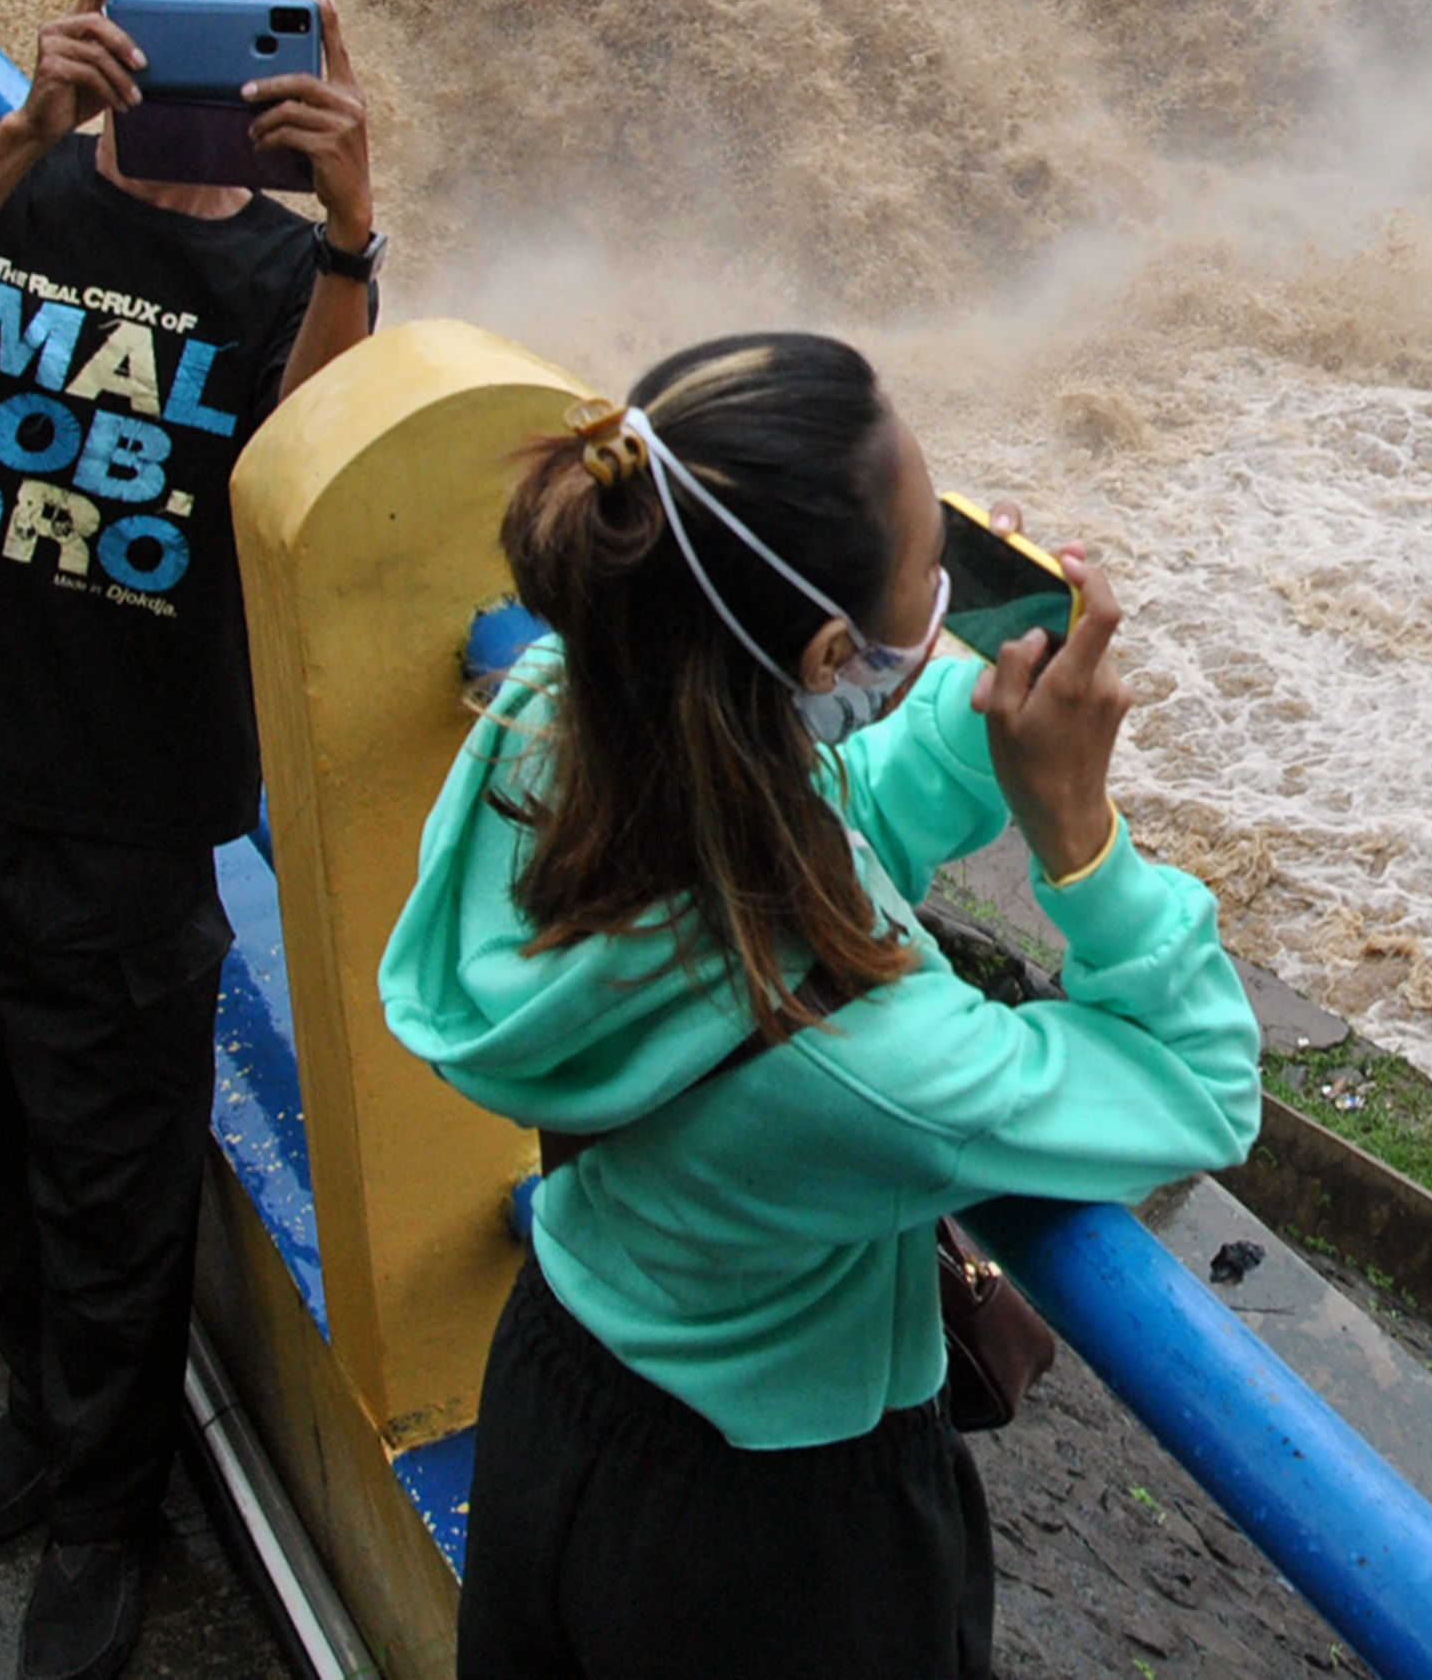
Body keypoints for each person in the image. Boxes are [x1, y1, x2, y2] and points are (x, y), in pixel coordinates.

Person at [382, 336, 1259, 1679]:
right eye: (933, 564)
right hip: (769, 1547)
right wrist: (1078, 837)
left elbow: (821, 819)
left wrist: (975, 700)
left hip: (561, 1396)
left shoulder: (561, 727)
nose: (950, 575)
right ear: (833, 650)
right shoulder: (859, 1052)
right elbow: (1199, 1083)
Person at [0, 0, 382, 1680]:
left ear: (290, 41)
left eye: (235, 20)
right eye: (153, 9)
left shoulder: (296, 269)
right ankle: (48, 1407)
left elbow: (301, 492)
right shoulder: (12, 166)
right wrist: (20, 127)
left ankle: (103, 1515)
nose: (185, 49)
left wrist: (359, 224)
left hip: (131, 803)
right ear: (96, 9)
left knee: (112, 1175)